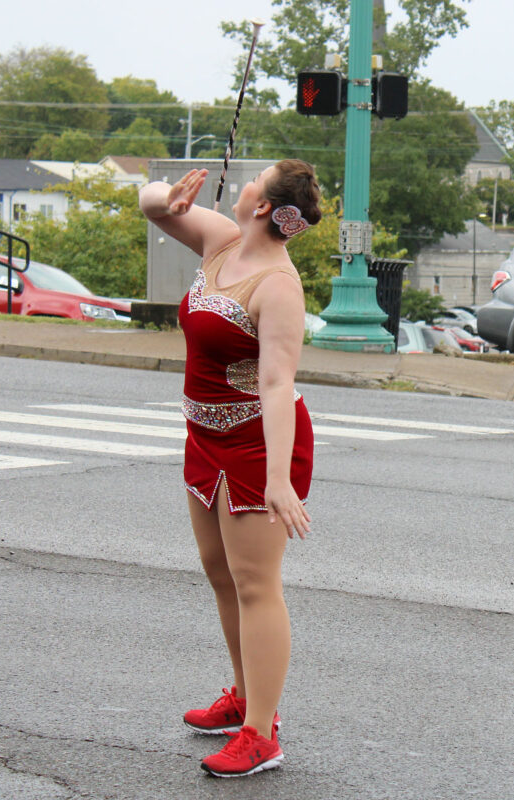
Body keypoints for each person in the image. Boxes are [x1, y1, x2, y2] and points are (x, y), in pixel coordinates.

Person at [139, 159, 321, 778]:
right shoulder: (222, 241)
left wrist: (276, 480)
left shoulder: (277, 285)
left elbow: (275, 384)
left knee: (254, 583)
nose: (242, 182)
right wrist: (170, 194)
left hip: (256, 443)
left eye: (256, 178)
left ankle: (261, 734)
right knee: (220, 573)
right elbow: (150, 204)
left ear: (265, 206)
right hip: (204, 433)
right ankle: (244, 696)